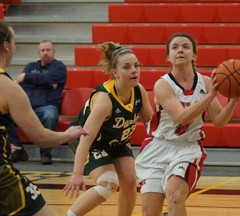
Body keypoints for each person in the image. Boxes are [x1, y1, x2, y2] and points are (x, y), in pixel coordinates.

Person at [135, 33, 240, 216]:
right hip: (158, 147)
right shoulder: (163, 85)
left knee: (175, 197)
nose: (180, 50)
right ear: (168, 57)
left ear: (195, 55)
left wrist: (233, 102)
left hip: (187, 149)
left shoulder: (206, 83)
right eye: (174, 47)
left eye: (185, 46)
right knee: (150, 212)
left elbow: (219, 121)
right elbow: (181, 117)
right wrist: (210, 96)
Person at [0, 21, 87, 216]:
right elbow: (41, 138)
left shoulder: (55, 68)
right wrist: (68, 134)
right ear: (6, 46)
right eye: (14, 42)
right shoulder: (9, 88)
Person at [63, 42, 153, 216]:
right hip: (89, 140)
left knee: (129, 181)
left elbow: (153, 125)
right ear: (115, 73)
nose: (134, 70)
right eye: (127, 67)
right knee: (108, 183)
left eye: (136, 65)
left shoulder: (139, 91)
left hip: (117, 141)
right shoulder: (105, 100)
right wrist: (77, 174)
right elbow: (86, 138)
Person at [8, 39, 67, 165]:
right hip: (27, 107)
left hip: (47, 107)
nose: (45, 53)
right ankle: (18, 150)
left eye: (48, 50)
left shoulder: (59, 67)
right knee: (5, 114)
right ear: (39, 52)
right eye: (42, 50)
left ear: (54, 51)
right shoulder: (30, 66)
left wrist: (27, 77)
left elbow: (48, 77)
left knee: (51, 115)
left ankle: (45, 153)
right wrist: (44, 82)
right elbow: (23, 85)